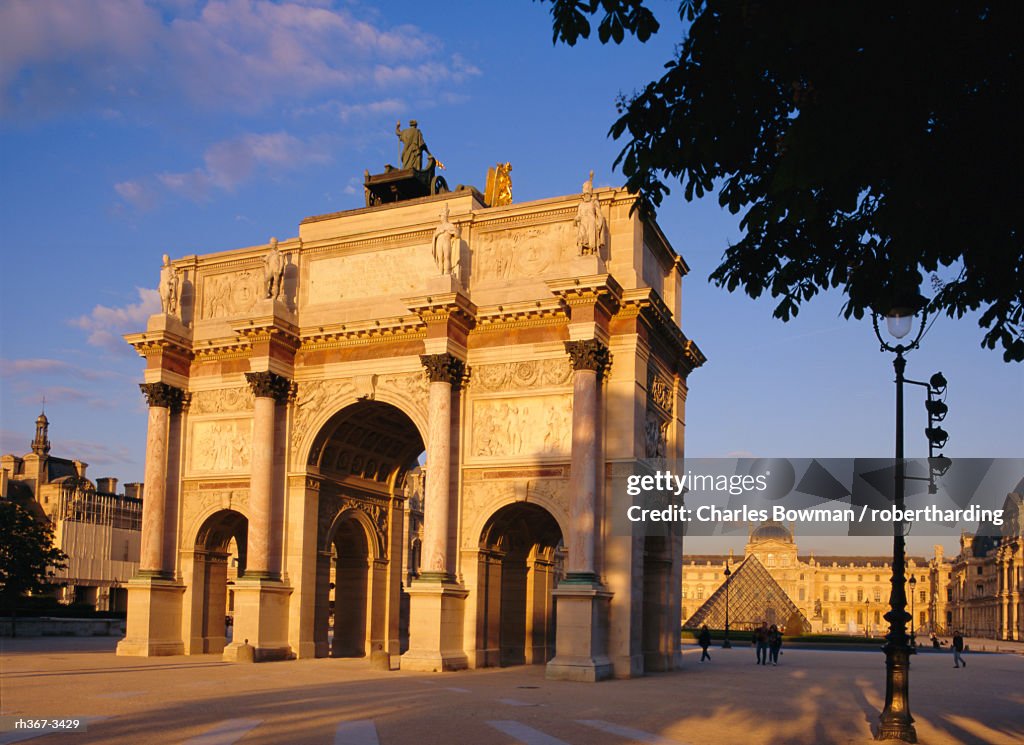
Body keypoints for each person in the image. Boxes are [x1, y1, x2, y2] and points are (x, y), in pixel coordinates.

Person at [574, 170, 607, 256]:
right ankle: (579, 252)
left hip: (591, 222)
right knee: (581, 236)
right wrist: (575, 219)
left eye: (588, 194)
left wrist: (599, 224)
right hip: (583, 222)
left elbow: (599, 215)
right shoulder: (580, 205)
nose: (586, 196)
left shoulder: (594, 203)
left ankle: (591, 251)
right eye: (585, 195)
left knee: (591, 239)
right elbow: (578, 215)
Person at [432, 204, 458, 275]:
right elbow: (435, 235)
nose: (441, 218)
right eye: (441, 216)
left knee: (447, 256)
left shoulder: (450, 225)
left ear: (445, 217)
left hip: (446, 240)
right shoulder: (439, 227)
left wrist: (453, 231)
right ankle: (441, 272)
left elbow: (457, 235)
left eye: (442, 216)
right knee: (440, 258)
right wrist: (439, 232)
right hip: (439, 241)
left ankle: (447, 271)